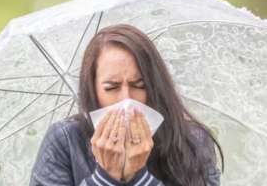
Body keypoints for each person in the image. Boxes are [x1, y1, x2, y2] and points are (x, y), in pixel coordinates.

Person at [29, 24, 223, 186]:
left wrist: (139, 176)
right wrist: (106, 175)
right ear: (93, 89)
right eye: (112, 87)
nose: (126, 99)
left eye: (139, 85)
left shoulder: (192, 141)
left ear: (154, 86)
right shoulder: (65, 140)